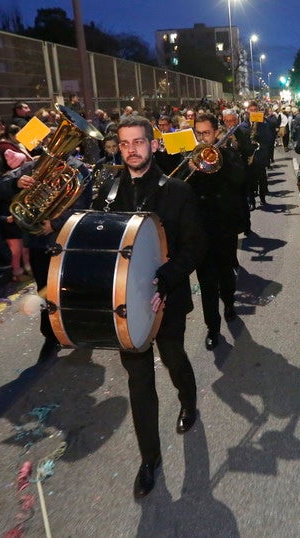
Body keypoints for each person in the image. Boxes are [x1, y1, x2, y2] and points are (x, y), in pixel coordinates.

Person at [94, 116, 205, 498]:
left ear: (153, 145)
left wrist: (165, 281)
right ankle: (149, 458)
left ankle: (189, 402)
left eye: (138, 142)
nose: (131, 150)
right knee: (139, 381)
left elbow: (194, 247)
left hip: (167, 300)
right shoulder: (107, 192)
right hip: (125, 307)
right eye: (124, 144)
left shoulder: (177, 191)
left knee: (174, 359)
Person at [186, 113, 245, 349]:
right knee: (206, 281)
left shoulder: (228, 154)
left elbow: (241, 180)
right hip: (200, 230)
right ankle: (212, 327)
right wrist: (190, 170)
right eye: (198, 134)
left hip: (224, 226)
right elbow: (176, 189)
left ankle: (229, 302)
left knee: (226, 273)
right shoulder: (188, 157)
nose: (202, 138)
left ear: (216, 133)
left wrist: (217, 164)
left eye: (206, 133)